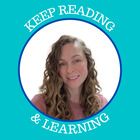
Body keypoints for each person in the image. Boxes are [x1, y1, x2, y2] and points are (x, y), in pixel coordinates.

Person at [31, 35, 107, 120]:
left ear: (88, 63)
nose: (69, 70)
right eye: (62, 64)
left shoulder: (102, 104)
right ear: (55, 69)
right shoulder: (39, 104)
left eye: (76, 60)